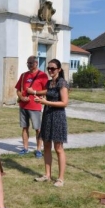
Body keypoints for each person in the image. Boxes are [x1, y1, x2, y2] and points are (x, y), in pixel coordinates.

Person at [32, 59, 69, 187]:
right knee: (46, 146)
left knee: (58, 148)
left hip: (58, 117)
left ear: (59, 69)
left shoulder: (62, 83)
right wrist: (40, 99)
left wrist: (46, 102)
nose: (50, 71)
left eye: (53, 68)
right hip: (47, 115)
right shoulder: (49, 83)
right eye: (48, 68)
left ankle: (60, 178)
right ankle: (47, 175)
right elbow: (47, 97)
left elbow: (64, 103)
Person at [15, 56, 48, 158]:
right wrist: (21, 97)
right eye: (28, 63)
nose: (29, 65)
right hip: (23, 106)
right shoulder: (24, 75)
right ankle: (25, 148)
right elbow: (18, 89)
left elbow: (47, 90)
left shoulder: (42, 75)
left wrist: (34, 92)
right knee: (25, 127)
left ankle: (38, 150)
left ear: (36, 63)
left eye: (31, 63)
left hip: (35, 106)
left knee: (38, 128)